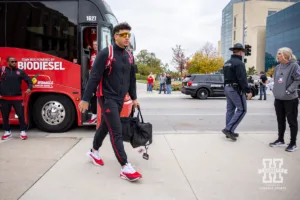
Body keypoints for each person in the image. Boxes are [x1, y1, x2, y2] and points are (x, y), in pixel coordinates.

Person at [78, 22, 142, 181]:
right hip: (106, 98)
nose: (127, 38)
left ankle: (93, 151)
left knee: (105, 127)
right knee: (116, 130)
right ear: (115, 36)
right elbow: (94, 77)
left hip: (119, 99)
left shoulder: (129, 56)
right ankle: (125, 167)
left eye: (129, 35)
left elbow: (131, 80)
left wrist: (134, 98)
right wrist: (85, 98)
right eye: (123, 35)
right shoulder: (106, 53)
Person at [269, 47, 300, 152]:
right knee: (280, 120)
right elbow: (276, 80)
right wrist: (274, 90)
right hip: (278, 99)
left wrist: (289, 90)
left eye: (279, 53)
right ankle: (280, 139)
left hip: (290, 99)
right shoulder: (277, 67)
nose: (277, 55)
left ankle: (293, 143)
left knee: (292, 121)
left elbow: (298, 79)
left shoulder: (294, 66)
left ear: (285, 55)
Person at [222, 43, 252, 141]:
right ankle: (229, 129)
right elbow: (242, 78)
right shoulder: (239, 63)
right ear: (240, 52)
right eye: (243, 52)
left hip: (227, 87)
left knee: (230, 110)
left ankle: (229, 130)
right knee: (242, 110)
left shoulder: (227, 62)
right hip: (235, 88)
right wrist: (248, 91)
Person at [0, 56, 32, 140]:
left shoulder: (20, 72)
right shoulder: (2, 71)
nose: (14, 63)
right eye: (12, 61)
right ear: (7, 62)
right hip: (4, 98)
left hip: (17, 98)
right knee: (5, 116)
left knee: (21, 115)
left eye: (15, 61)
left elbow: (29, 80)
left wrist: (29, 88)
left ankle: (23, 131)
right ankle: (7, 132)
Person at [88, 40, 98, 124]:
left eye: (96, 44)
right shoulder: (92, 53)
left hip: (97, 78)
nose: (95, 46)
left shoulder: (101, 53)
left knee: (95, 96)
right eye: (94, 44)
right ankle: (94, 114)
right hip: (92, 76)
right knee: (93, 96)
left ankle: (95, 115)